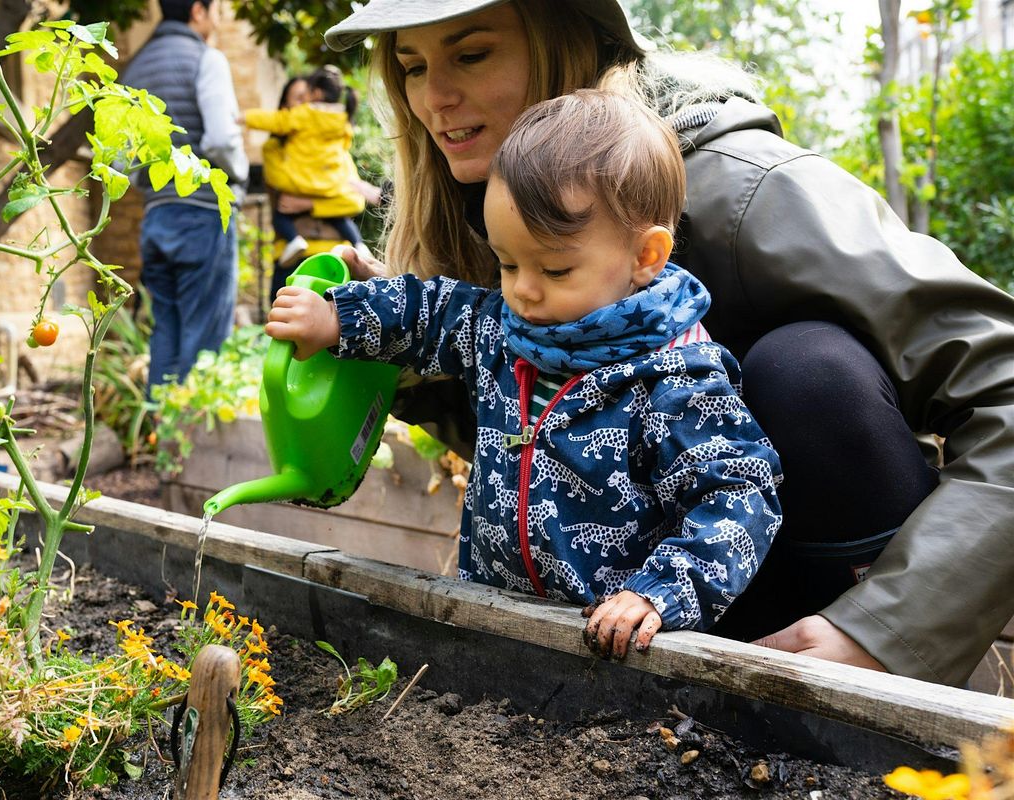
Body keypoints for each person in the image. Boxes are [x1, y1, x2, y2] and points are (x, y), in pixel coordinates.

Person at [321, 0, 1014, 686]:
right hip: (623, 633)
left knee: (809, 369)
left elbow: (1002, 382)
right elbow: (556, 441)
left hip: (808, 620)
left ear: (568, 39)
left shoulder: (746, 187)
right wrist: (388, 341)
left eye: (472, 54)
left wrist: (886, 631)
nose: (433, 97)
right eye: (411, 67)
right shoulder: (488, 215)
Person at [267, 90, 783, 658]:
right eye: (507, 263)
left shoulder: (675, 378)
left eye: (555, 269)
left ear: (645, 257)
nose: (523, 290)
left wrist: (659, 593)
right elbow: (430, 311)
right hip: (491, 621)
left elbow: (739, 494)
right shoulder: (502, 329)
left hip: (612, 652)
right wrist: (338, 318)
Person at [120, 0, 248, 387]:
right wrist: (240, 175)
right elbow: (222, 139)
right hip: (203, 212)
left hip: (156, 215)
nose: (219, 20)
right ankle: (194, 424)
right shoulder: (207, 58)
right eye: (217, 10)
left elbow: (120, 159)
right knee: (204, 338)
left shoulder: (134, 68)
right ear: (197, 10)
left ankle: (158, 419)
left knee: (166, 330)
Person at [244, 66, 365, 268]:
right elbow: (284, 187)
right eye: (300, 99)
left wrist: (310, 204)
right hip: (294, 261)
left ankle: (359, 244)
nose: (308, 108)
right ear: (284, 108)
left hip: (336, 256)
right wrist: (330, 198)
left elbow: (355, 201)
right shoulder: (274, 149)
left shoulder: (335, 153)